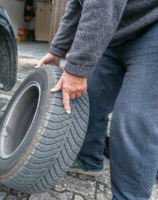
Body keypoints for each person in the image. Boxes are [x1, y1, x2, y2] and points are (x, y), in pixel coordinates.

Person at [36, 1, 158, 200]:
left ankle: (129, 196)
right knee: (87, 99)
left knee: (133, 119)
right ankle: (88, 161)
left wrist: (77, 67)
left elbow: (102, 4)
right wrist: (57, 49)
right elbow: (77, 5)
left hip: (152, 26)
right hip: (114, 30)